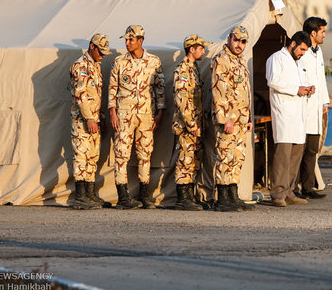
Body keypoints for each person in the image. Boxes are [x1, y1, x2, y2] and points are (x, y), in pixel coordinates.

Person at [108, 25, 165, 209]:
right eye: (126, 40)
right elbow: (112, 89)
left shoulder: (153, 62)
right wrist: (112, 112)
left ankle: (144, 195)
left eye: (131, 40)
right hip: (124, 115)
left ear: (140, 40)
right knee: (121, 154)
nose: (127, 43)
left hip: (146, 115)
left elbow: (160, 89)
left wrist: (160, 113)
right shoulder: (119, 62)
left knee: (145, 154)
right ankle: (123, 197)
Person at [266, 31, 312, 207]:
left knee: (295, 155)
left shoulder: (298, 62)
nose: (302, 53)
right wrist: (296, 89)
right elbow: (273, 81)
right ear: (293, 44)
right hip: (284, 113)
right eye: (301, 49)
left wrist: (307, 89)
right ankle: (278, 193)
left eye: (305, 51)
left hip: (298, 115)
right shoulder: (276, 58)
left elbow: (300, 83)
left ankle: (290, 191)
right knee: (283, 156)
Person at [211, 26, 254, 212]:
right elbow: (218, 92)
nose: (239, 44)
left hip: (241, 120)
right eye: (236, 40)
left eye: (243, 41)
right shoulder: (222, 60)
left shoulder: (240, 61)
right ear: (229, 38)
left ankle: (233, 195)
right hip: (228, 120)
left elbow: (246, 92)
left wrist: (249, 117)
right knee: (225, 157)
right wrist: (225, 118)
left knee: (237, 158)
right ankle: (222, 198)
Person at [69, 33, 112, 210]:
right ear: (92, 46)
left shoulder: (95, 66)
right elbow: (81, 95)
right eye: (100, 51)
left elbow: (96, 95)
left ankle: (90, 193)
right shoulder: (81, 66)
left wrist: (98, 118)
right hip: (83, 120)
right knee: (81, 154)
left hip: (94, 119)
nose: (102, 55)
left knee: (92, 156)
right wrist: (89, 118)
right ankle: (80, 196)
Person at [172, 34, 213, 211]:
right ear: (191, 49)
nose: (203, 51)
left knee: (193, 159)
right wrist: (191, 125)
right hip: (187, 126)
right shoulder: (183, 70)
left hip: (196, 124)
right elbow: (181, 100)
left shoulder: (194, 69)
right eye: (201, 48)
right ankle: (183, 198)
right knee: (185, 160)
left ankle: (190, 195)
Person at [298, 17, 330, 199]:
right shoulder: (302, 53)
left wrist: (325, 102)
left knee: (312, 150)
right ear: (313, 33)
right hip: (305, 105)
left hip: (317, 107)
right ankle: (295, 186)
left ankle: (308, 187)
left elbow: (321, 79)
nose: (324, 35)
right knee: (300, 150)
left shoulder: (319, 52)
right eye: (322, 32)